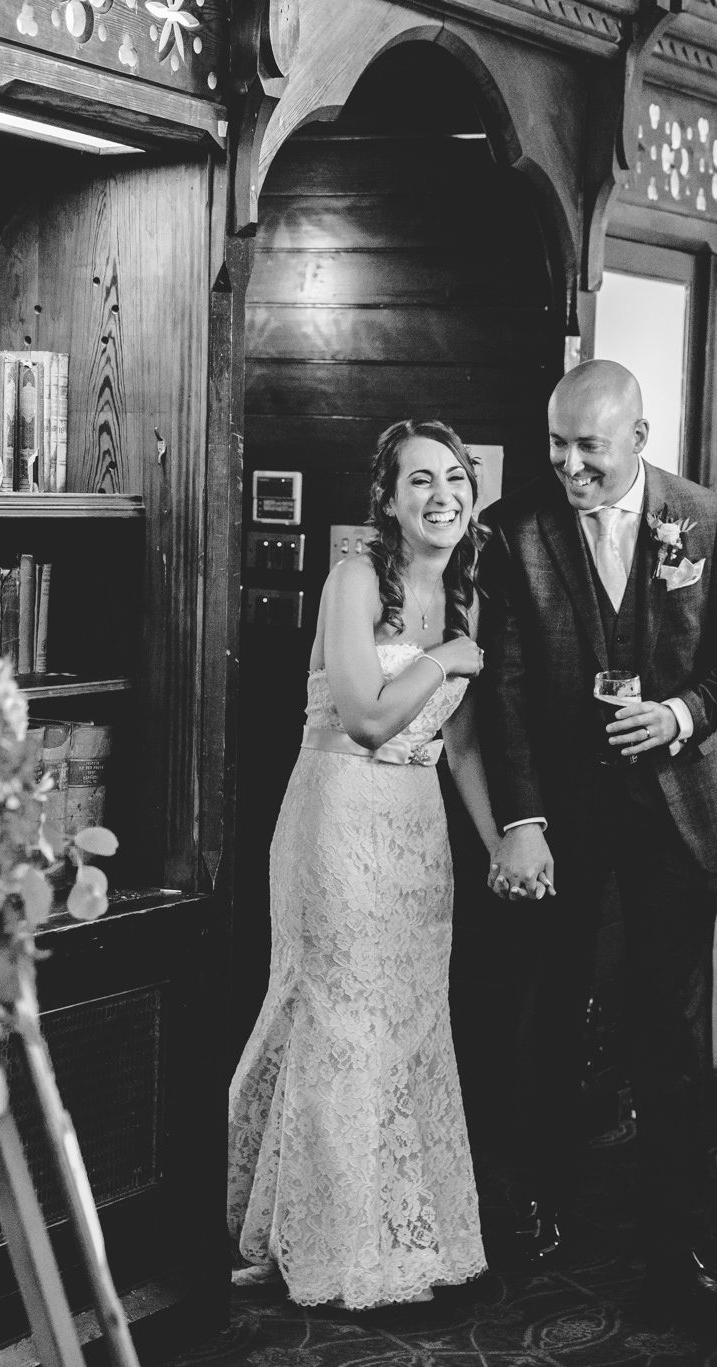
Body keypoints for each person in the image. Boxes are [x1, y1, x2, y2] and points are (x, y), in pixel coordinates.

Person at [475, 360, 717, 1328]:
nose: (566, 465)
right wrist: (521, 821)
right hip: (561, 818)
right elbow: (505, 688)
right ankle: (537, 1205)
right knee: (544, 1015)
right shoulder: (516, 530)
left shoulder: (700, 515)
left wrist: (679, 716)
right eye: (554, 444)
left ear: (638, 434)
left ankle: (673, 1241)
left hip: (673, 816)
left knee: (669, 1031)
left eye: (586, 447)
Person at [226, 419, 500, 1310]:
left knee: (411, 1023)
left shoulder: (467, 594)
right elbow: (368, 716)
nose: (441, 496)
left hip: (420, 834)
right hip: (338, 814)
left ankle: (404, 1232)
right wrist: (448, 656)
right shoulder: (353, 577)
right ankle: (323, 1241)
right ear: (387, 498)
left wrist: (500, 846)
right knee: (340, 1020)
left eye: (453, 478)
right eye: (419, 480)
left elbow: (459, 750)